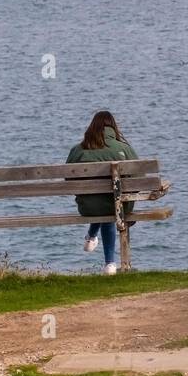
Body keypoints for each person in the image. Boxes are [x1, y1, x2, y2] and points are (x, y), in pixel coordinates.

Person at [66, 110, 137, 274]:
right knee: (113, 203)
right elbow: (138, 178)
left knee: (102, 201)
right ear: (113, 127)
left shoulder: (78, 149)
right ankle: (110, 264)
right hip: (119, 207)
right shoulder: (124, 148)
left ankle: (91, 237)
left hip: (87, 207)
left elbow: (68, 180)